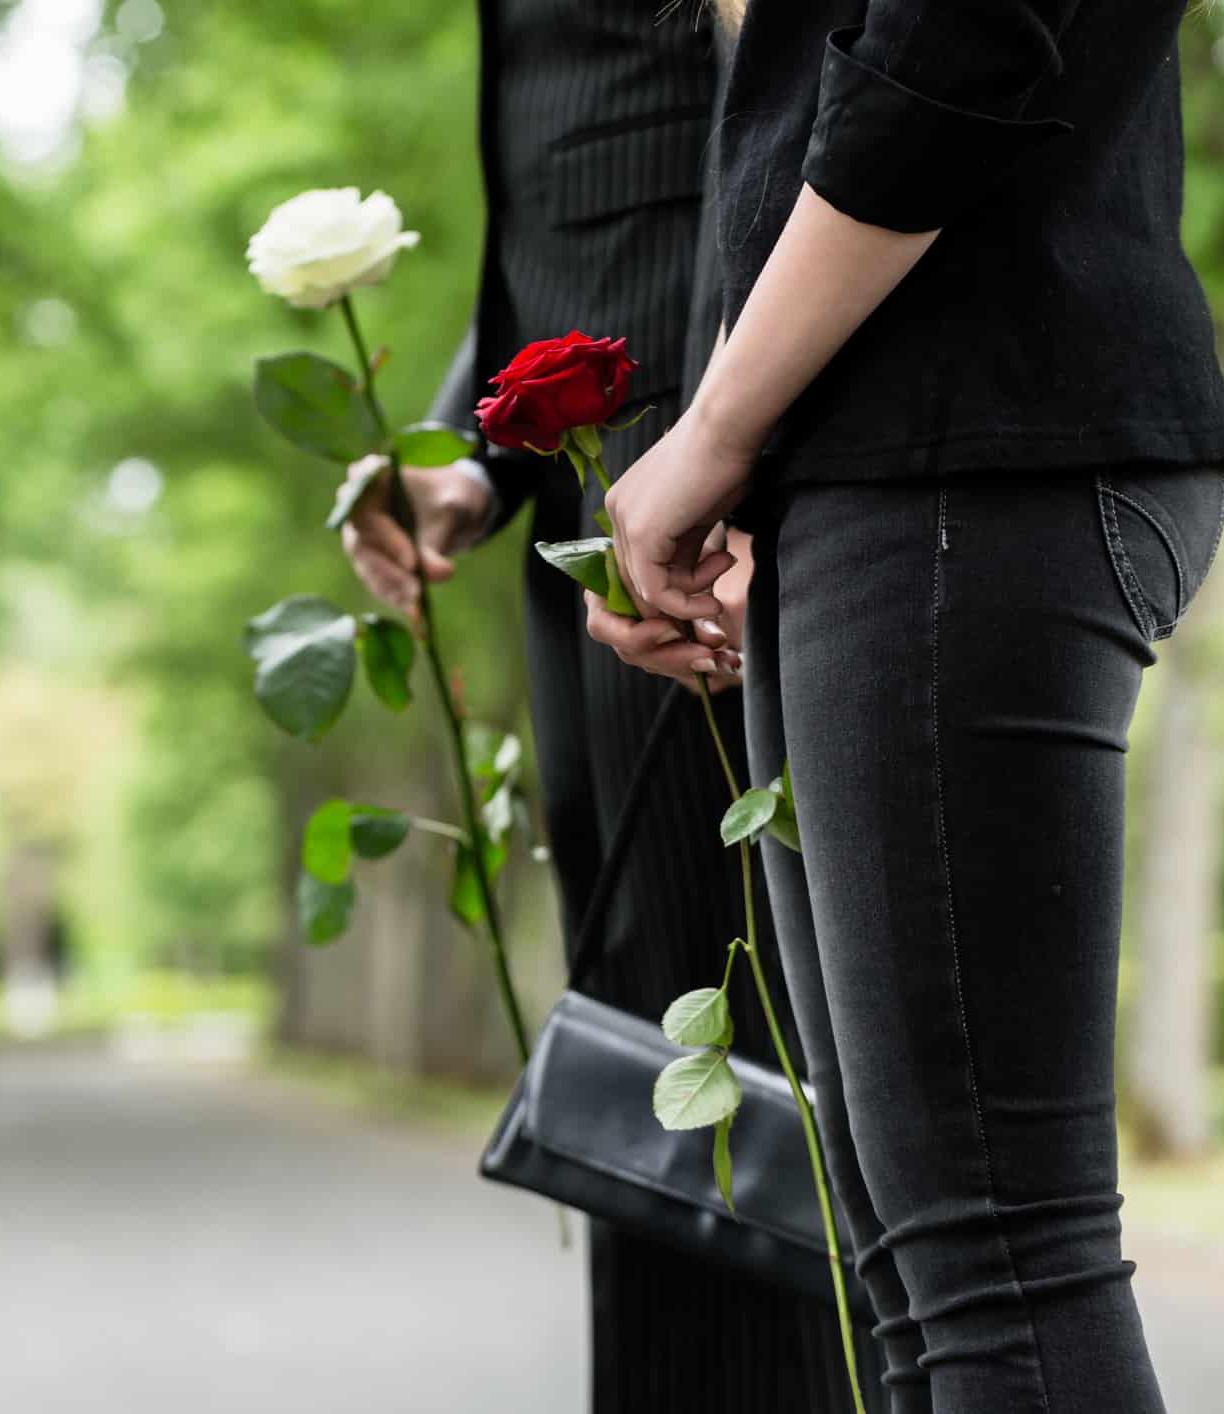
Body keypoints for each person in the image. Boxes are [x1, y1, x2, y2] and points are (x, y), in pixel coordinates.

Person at [585, 2, 1224, 1411]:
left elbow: (960, 36)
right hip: (892, 458)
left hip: (965, 444)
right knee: (912, 1278)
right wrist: (736, 461)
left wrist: (715, 433)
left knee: (991, 1268)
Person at [340, 2, 881, 1409]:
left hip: (715, 518)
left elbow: (796, 122)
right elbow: (578, 196)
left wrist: (746, 464)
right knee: (662, 1082)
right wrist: (478, 455)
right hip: (600, 513)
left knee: (760, 1087)